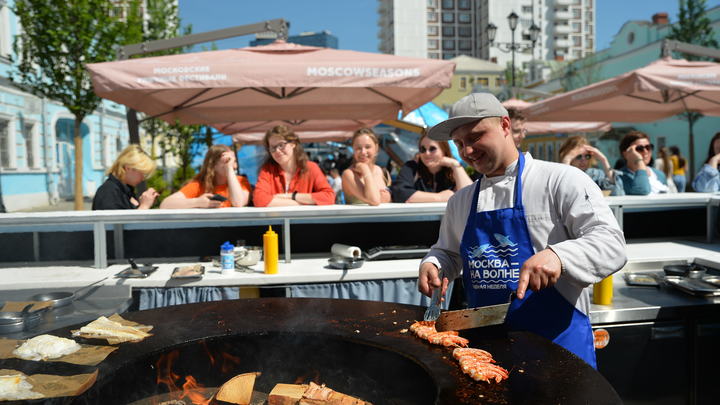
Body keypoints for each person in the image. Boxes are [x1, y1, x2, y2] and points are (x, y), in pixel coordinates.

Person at [417, 93, 626, 368]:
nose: (467, 150)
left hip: (559, 349)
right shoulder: (461, 201)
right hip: (486, 354)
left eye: (476, 136)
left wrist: (559, 257)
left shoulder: (561, 180)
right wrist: (435, 263)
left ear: (505, 126)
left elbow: (611, 244)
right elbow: (448, 252)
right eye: (459, 143)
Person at [253, 125, 335, 207]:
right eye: (273, 148)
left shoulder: (311, 168)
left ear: (293, 144)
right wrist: (302, 204)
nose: (277, 151)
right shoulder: (267, 170)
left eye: (281, 145)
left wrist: (292, 196)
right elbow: (259, 199)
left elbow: (329, 197)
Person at [160, 144, 251, 209]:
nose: (234, 166)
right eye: (227, 161)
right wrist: (198, 202)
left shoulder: (241, 181)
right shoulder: (199, 185)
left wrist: (229, 169)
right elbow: (165, 204)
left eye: (234, 161)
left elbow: (238, 203)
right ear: (213, 165)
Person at [391, 132, 473, 202]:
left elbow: (469, 195)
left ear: (444, 150)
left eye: (432, 149)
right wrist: (439, 197)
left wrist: (455, 165)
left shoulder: (452, 169)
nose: (427, 153)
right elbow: (400, 193)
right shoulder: (412, 167)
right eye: (423, 149)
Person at [93, 145, 158, 210]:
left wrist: (143, 203)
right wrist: (144, 206)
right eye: (143, 173)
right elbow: (117, 220)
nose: (143, 178)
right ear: (128, 167)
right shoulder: (109, 192)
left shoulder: (123, 190)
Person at [558, 136, 623, 196]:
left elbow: (618, 193)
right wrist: (566, 160)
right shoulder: (557, 174)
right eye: (578, 156)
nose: (583, 160)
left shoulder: (596, 174)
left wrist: (604, 160)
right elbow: (561, 193)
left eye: (587, 156)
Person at [341, 128, 391, 206]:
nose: (363, 152)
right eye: (358, 148)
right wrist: (365, 170)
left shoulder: (382, 171)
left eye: (367, 147)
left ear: (376, 148)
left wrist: (389, 197)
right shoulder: (349, 174)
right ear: (353, 150)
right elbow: (374, 201)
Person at [616, 131, 668, 195]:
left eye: (648, 147)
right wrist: (639, 160)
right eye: (639, 148)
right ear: (625, 153)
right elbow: (643, 190)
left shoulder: (659, 174)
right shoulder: (620, 177)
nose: (645, 151)